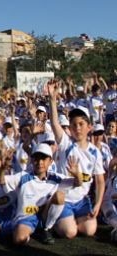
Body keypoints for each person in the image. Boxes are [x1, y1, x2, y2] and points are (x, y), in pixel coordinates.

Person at [47, 81, 105, 239]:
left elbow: (100, 181)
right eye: (74, 124)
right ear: (70, 128)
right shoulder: (66, 143)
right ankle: (51, 218)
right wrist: (52, 99)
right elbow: (54, 123)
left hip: (81, 201)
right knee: (69, 232)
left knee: (89, 230)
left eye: (81, 124)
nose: (77, 128)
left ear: (89, 127)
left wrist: (98, 204)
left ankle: (71, 219)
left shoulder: (95, 153)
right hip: (65, 199)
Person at [0, 144, 82, 245]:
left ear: (51, 161)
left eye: (43, 158)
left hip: (45, 215)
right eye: (36, 158)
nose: (39, 162)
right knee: (19, 239)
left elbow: (77, 183)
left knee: (60, 196)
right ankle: (28, 231)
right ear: (32, 159)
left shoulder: (55, 177)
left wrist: (77, 174)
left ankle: (46, 229)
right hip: (27, 217)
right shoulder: (23, 176)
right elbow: (1, 181)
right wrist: (2, 169)